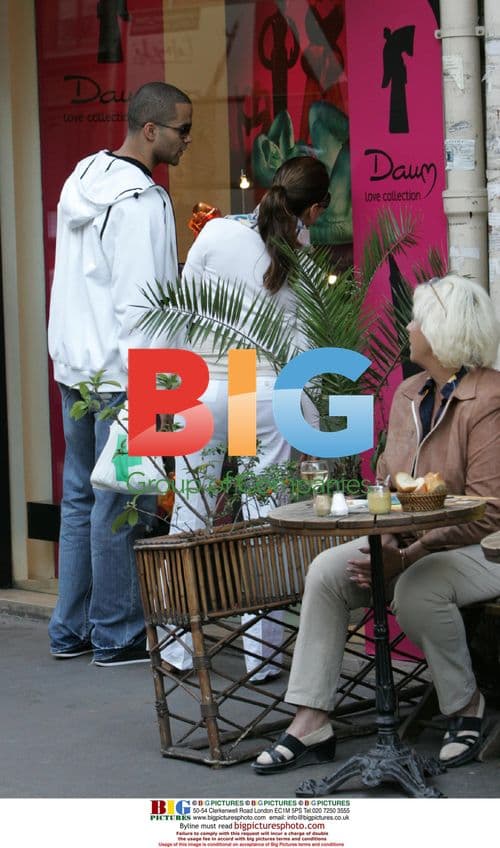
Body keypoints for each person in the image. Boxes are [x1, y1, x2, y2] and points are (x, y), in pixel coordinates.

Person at [253, 272, 500, 771]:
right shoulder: (409, 392)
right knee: (328, 569)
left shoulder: (490, 398)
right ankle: (311, 719)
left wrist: (405, 556)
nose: (408, 326)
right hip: (413, 542)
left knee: (417, 587)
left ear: (440, 331)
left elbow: (488, 509)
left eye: (416, 318)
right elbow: (387, 484)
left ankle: (465, 705)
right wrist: (383, 540)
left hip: (485, 547)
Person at [164, 155, 330, 680]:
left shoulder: (213, 235)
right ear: (316, 207)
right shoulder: (300, 254)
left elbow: (178, 315)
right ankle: (263, 658)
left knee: (188, 515)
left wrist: (164, 400)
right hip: (265, 393)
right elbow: (305, 347)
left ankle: (173, 648)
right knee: (264, 522)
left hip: (207, 386)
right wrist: (317, 419)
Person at [48, 81, 193, 667]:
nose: (189, 140)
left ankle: (71, 629)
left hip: (74, 367)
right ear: (151, 130)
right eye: (183, 129)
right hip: (124, 374)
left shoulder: (82, 176)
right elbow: (142, 306)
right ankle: (116, 633)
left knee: (82, 495)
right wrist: (158, 385)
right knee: (121, 501)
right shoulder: (142, 202)